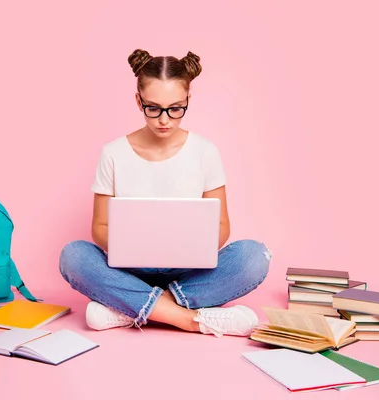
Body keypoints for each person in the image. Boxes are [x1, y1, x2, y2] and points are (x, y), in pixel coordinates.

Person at [59, 49, 271, 337]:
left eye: (176, 108)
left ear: (187, 101)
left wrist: (182, 243)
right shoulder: (113, 153)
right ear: (138, 100)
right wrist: (138, 243)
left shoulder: (205, 151)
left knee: (254, 256)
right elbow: (99, 228)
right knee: (73, 256)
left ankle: (130, 309)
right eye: (153, 108)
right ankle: (191, 319)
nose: (164, 120)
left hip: (188, 271)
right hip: (130, 270)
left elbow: (221, 228)